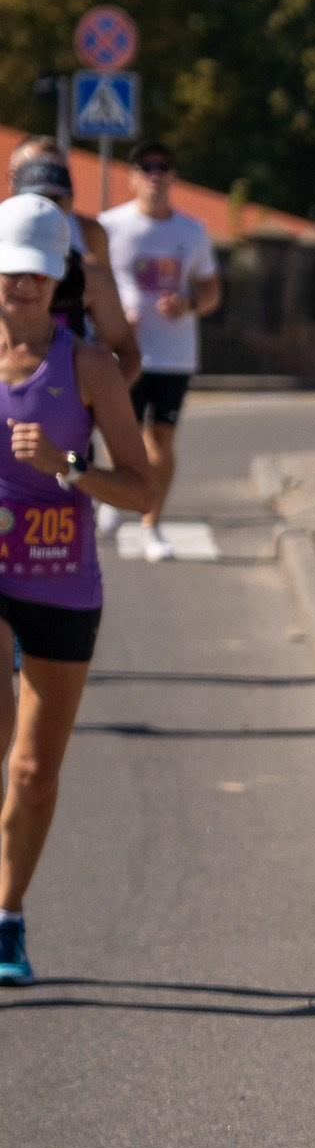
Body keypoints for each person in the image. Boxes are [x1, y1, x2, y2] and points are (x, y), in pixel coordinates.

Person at [0, 195, 151, 984]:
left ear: (58, 277)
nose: (22, 285)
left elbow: (141, 489)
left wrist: (65, 467)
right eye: (10, 270)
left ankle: (8, 916)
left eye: (36, 271)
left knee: (33, 772)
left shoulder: (87, 366)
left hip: (60, 582)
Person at [101, 142, 221, 559]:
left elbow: (211, 290)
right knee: (122, 434)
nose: (155, 173)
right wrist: (113, 315)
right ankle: (114, 495)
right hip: (125, 350)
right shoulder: (109, 226)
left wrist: (189, 303)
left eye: (163, 166)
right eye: (145, 166)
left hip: (174, 354)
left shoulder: (192, 230)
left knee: (162, 442)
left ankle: (151, 524)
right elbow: (90, 284)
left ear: (173, 176)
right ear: (131, 177)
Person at [7, 140, 141, 390]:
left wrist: (94, 403)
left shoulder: (89, 268)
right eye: (35, 197)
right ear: (13, 186)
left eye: (55, 199)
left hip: (65, 392)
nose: (44, 208)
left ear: (69, 200)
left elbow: (127, 351)